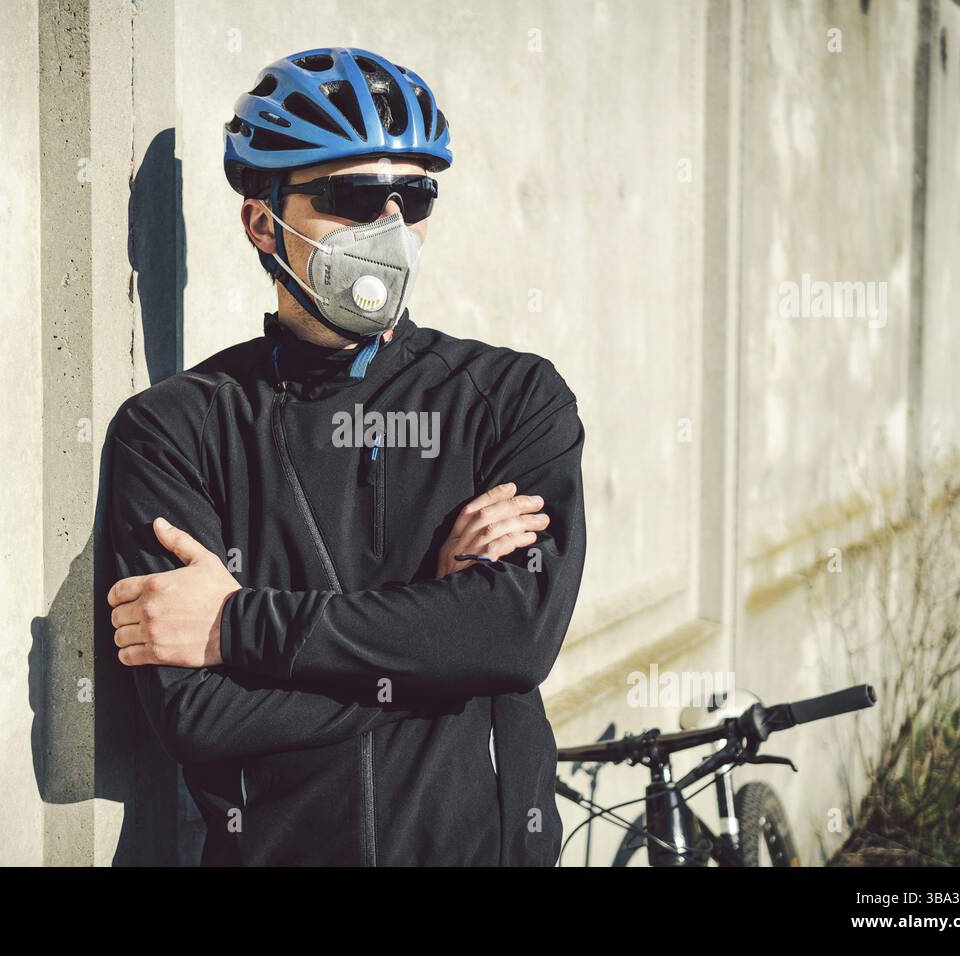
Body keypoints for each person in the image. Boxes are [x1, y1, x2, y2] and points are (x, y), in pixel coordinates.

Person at [105, 46, 587, 865]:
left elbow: (514, 640)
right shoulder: (174, 428)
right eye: (354, 197)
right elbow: (198, 715)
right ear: (263, 223)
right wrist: (441, 636)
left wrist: (235, 624)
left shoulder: (512, 398)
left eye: (414, 197)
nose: (389, 228)